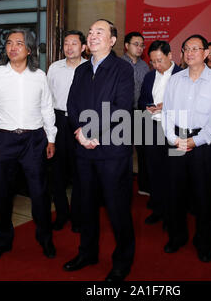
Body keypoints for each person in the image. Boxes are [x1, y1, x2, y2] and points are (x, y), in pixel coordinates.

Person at [65, 19, 135, 282]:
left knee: (117, 209)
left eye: (100, 32)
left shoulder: (122, 69)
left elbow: (121, 108)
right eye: (91, 32)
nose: (93, 36)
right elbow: (71, 105)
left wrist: (91, 132)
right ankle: (87, 253)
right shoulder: (82, 70)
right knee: (86, 207)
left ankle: (122, 261)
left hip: (112, 151)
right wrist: (81, 133)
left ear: (112, 40)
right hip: (83, 149)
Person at [0, 28, 57, 261]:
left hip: (34, 140)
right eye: (9, 43)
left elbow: (47, 108)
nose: (13, 47)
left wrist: (51, 137)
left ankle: (45, 239)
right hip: (4, 139)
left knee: (40, 193)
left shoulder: (40, 76)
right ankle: (2, 241)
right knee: (2, 194)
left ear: (29, 49)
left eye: (19, 43)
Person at [162, 34, 211, 262]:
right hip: (177, 137)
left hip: (204, 141)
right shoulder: (175, 79)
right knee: (174, 192)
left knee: (204, 195)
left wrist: (195, 141)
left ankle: (203, 242)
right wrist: (172, 137)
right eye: (186, 49)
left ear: (206, 53)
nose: (189, 53)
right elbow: (167, 112)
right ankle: (176, 236)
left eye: (195, 49)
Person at [138, 40, 182, 225]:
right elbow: (141, 100)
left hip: (176, 128)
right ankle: (157, 208)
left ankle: (174, 210)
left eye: (160, 60)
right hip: (152, 127)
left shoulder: (183, 75)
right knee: (154, 170)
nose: (156, 65)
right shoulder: (149, 77)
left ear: (170, 56)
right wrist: (148, 107)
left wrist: (167, 107)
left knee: (174, 171)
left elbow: (189, 103)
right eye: (153, 61)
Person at [47, 30, 87, 232]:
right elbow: (47, 98)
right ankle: (62, 213)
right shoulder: (54, 67)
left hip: (81, 123)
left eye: (74, 43)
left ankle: (79, 216)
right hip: (58, 121)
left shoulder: (90, 68)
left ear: (83, 47)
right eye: (66, 43)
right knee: (57, 172)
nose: (69, 47)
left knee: (80, 171)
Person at [121, 31, 150, 196]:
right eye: (135, 44)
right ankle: (122, 185)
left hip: (140, 113)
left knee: (142, 150)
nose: (139, 48)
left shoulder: (145, 66)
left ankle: (144, 185)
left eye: (141, 45)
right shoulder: (118, 64)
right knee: (123, 150)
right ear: (127, 46)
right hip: (122, 113)